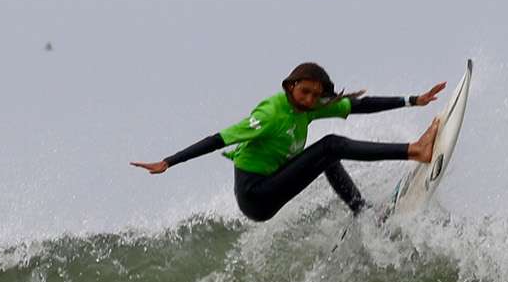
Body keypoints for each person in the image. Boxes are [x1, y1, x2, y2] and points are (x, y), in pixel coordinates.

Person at [132, 62, 445, 222]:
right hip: (256, 196)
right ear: (290, 86)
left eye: (314, 94)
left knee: (328, 156)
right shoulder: (271, 114)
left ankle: (362, 212)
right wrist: (168, 162)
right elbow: (217, 139)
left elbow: (357, 106)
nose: (309, 99)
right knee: (331, 145)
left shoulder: (307, 109)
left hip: (272, 182)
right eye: (303, 91)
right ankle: (415, 150)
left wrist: (413, 100)